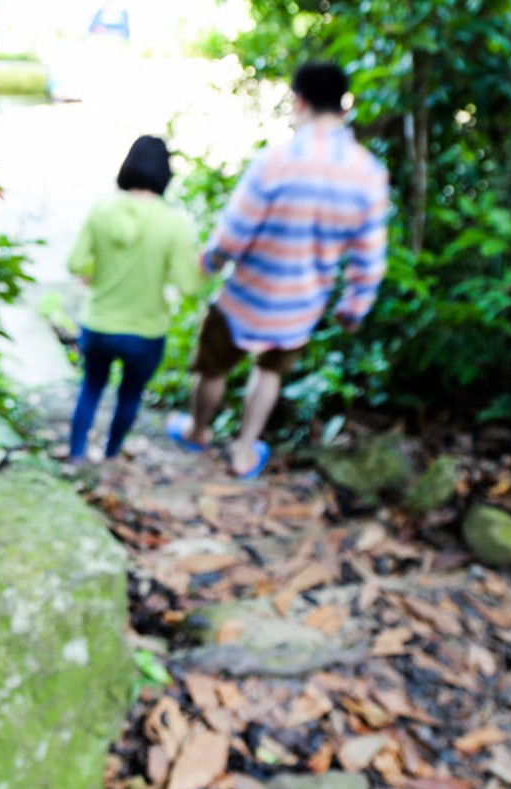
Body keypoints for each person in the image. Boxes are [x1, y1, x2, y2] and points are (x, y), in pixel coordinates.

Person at [168, 61, 390, 478]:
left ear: (299, 101)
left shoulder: (275, 161)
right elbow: (369, 255)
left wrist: (210, 261)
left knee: (213, 366)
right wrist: (354, 306)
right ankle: (244, 452)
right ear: (343, 109)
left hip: (245, 297)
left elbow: (233, 233)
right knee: (269, 372)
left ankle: (198, 431)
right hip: (300, 306)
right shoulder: (368, 173)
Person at [67, 135, 201, 466]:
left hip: (98, 323)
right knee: (129, 396)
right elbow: (188, 286)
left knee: (91, 388)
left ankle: (77, 455)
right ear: (164, 174)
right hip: (145, 330)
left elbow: (74, 263)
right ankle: (111, 455)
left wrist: (93, 270)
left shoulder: (101, 210)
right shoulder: (173, 223)